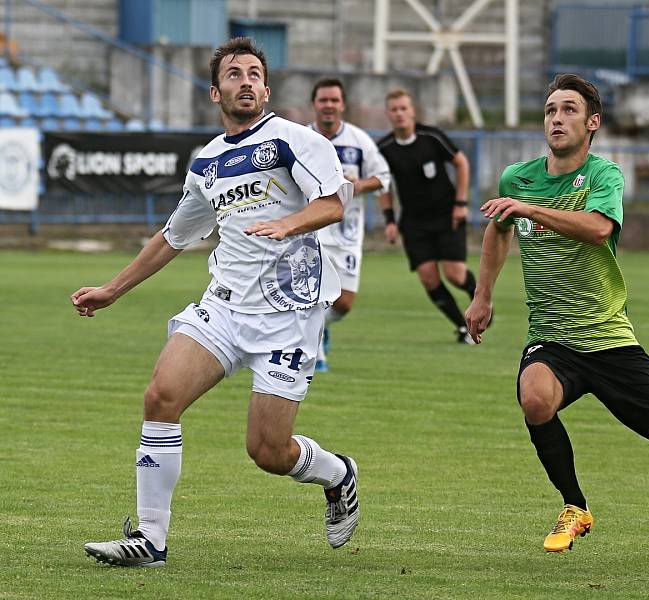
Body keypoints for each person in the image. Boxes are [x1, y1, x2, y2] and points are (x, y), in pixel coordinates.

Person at [72, 37, 360, 568]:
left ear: (266, 88)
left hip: (288, 313)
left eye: (254, 73)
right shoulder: (207, 163)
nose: (245, 81)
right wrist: (112, 289)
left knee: (268, 451)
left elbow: (337, 200)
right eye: (234, 74)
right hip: (225, 305)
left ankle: (339, 474)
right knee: (161, 396)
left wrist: (288, 224)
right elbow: (171, 238)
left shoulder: (293, 140)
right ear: (215, 91)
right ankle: (151, 541)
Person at [465, 73, 649, 573]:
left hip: (610, 342)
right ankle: (575, 506)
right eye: (549, 110)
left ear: (592, 123)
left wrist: (531, 209)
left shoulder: (604, 176)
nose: (556, 119)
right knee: (534, 398)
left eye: (568, 111)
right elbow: (499, 232)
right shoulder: (517, 178)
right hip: (552, 339)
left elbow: (600, 230)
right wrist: (482, 295)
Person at [377, 89, 481, 344]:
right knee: (428, 277)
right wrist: (389, 220)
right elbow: (383, 185)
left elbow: (461, 162)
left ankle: (480, 300)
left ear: (412, 111)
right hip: (413, 222)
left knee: (455, 275)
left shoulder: (431, 137)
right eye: (394, 109)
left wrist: (461, 202)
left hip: (447, 215)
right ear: (388, 114)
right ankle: (462, 327)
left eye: (404, 108)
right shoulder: (384, 149)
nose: (400, 113)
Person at [308, 77, 391, 372]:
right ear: (314, 105)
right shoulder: (302, 140)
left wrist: (356, 185)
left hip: (346, 235)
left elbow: (382, 178)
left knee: (343, 303)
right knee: (311, 298)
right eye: (323, 100)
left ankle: (320, 330)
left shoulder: (358, 141)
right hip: (309, 234)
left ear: (342, 105)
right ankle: (315, 353)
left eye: (334, 100)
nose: (329, 105)